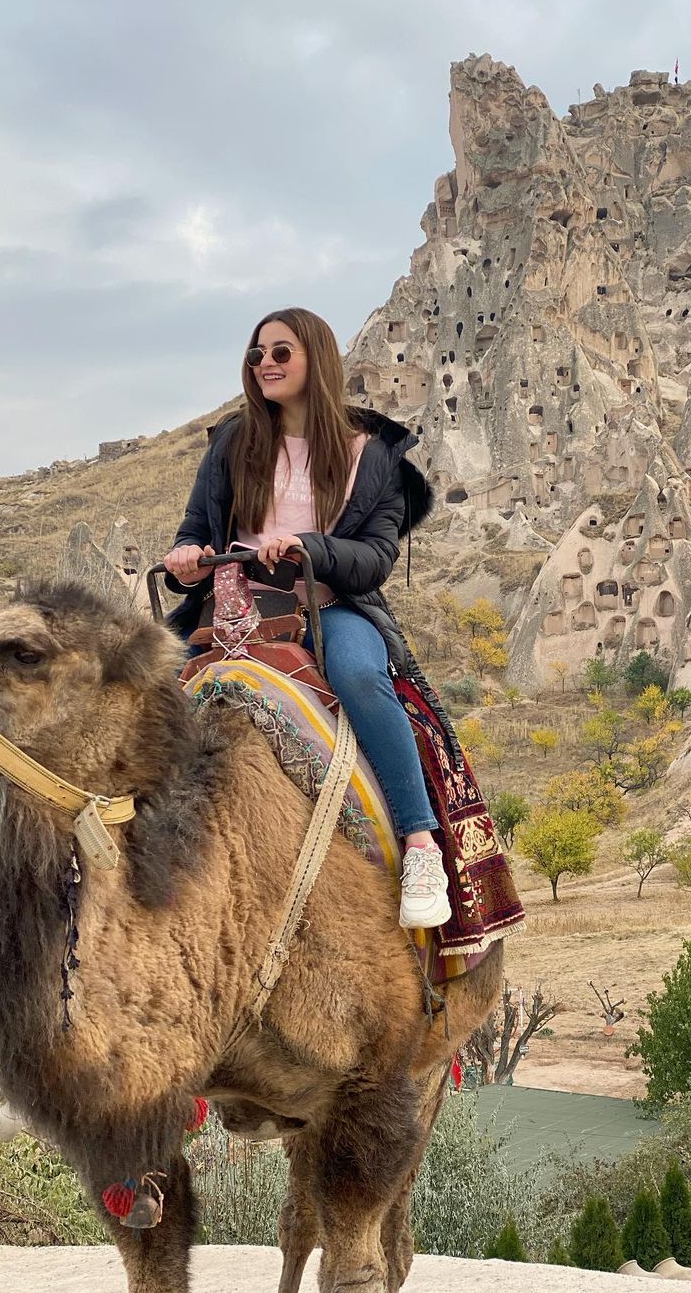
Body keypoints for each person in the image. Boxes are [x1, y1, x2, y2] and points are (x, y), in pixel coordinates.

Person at [162, 307, 452, 930]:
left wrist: (307, 547)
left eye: (280, 352)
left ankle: (420, 844)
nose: (264, 363)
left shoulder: (371, 456)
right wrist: (187, 556)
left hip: (328, 606)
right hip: (232, 608)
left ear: (315, 359)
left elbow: (374, 558)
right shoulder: (231, 444)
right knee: (151, 698)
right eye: (257, 354)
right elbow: (194, 528)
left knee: (359, 678)